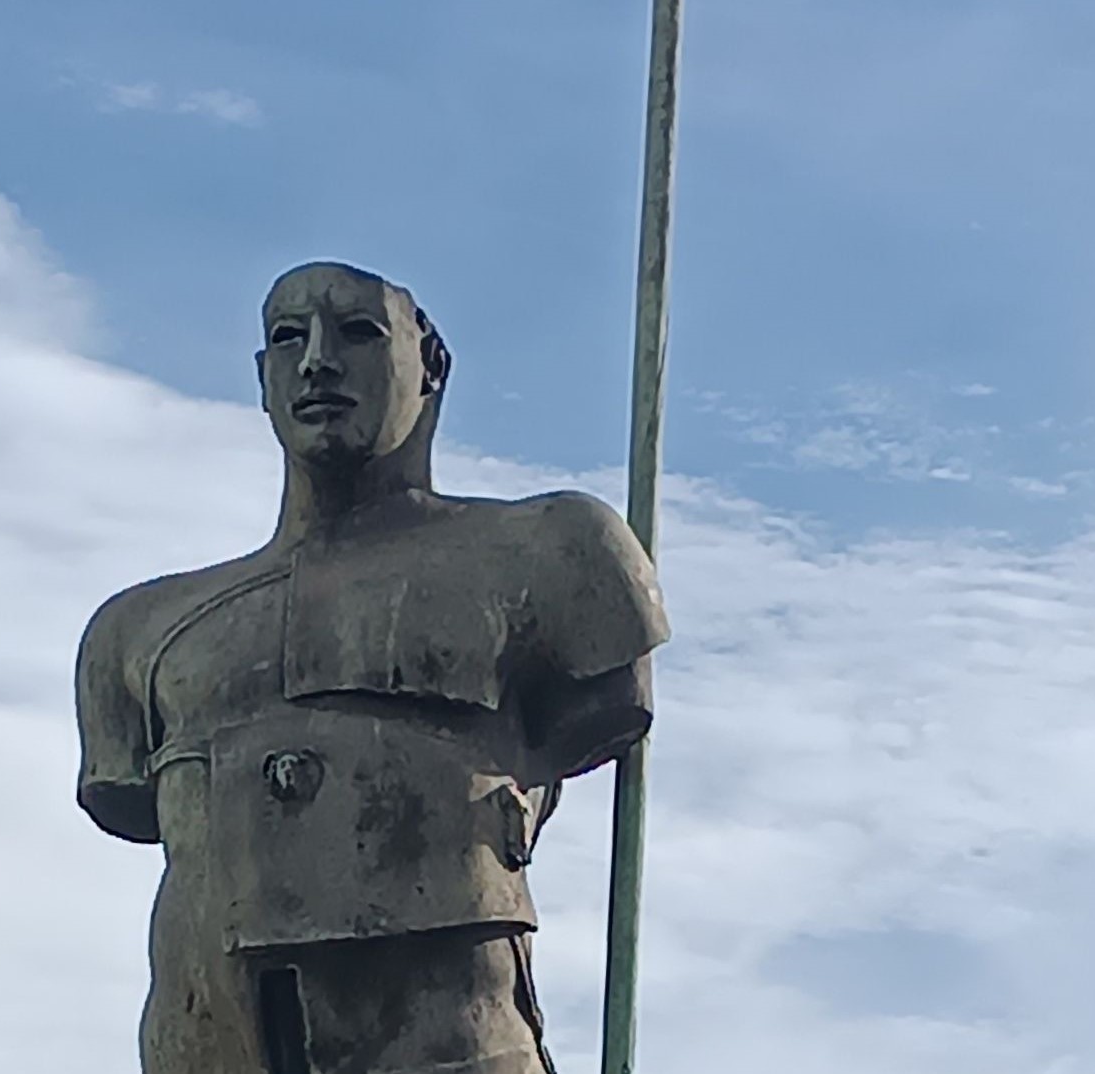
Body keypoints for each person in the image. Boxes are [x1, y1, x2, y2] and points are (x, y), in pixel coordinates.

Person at [74, 261, 668, 1074]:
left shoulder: (551, 552)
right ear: (262, 378)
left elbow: (603, 707)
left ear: (428, 367)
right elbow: (123, 797)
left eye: (358, 331)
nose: (318, 360)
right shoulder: (140, 631)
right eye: (289, 337)